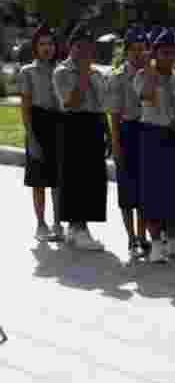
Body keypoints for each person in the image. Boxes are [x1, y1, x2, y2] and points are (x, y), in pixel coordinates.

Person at [136, 28, 175, 263]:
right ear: (154, 53)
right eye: (163, 53)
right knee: (153, 192)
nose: (169, 57)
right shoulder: (143, 76)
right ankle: (155, 245)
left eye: (172, 53)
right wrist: (150, 69)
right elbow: (147, 95)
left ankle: (174, 241)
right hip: (153, 136)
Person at [52, 24, 108, 251]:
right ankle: (79, 226)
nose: (84, 51)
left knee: (93, 178)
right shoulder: (62, 72)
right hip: (73, 125)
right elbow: (71, 101)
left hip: (93, 125)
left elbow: (102, 103)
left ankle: (77, 229)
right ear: (70, 47)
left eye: (87, 47)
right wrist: (83, 73)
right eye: (79, 47)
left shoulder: (97, 73)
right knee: (75, 176)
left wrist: (107, 133)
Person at [107, 25, 151, 259]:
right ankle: (131, 237)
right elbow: (114, 114)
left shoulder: (150, 74)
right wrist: (115, 143)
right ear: (126, 52)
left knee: (144, 189)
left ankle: (143, 236)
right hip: (126, 131)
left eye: (141, 49)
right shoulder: (117, 77)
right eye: (133, 49)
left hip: (147, 132)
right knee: (126, 190)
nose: (137, 53)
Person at [18, 25, 63, 242]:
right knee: (38, 181)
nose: (47, 48)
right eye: (42, 44)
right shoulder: (27, 71)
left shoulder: (61, 70)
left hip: (58, 124)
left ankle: (57, 223)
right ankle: (41, 224)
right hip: (37, 123)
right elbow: (25, 107)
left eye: (50, 44)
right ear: (35, 47)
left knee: (57, 180)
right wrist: (31, 137)